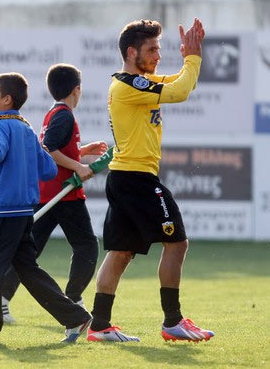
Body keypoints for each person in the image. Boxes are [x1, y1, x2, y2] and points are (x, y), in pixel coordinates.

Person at [87, 18, 215, 343]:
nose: (158, 56)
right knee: (177, 242)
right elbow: (180, 91)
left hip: (125, 177)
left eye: (158, 49)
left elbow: (180, 84)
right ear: (132, 52)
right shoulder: (129, 85)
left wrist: (190, 59)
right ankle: (173, 321)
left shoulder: (136, 83)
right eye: (152, 50)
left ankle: (99, 325)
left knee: (121, 252)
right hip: (136, 179)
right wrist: (193, 57)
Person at [0, 72, 92, 344]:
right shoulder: (25, 128)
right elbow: (48, 170)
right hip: (24, 214)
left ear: (7, 99)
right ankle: (75, 317)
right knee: (28, 270)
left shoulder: (1, 126)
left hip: (4, 215)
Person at [0, 64, 107, 323]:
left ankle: (1, 299)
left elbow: (56, 149)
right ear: (76, 89)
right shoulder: (64, 116)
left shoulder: (54, 113)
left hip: (47, 192)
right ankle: (74, 298)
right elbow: (49, 149)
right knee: (86, 246)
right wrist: (79, 167)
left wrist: (82, 151)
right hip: (64, 193)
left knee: (30, 249)